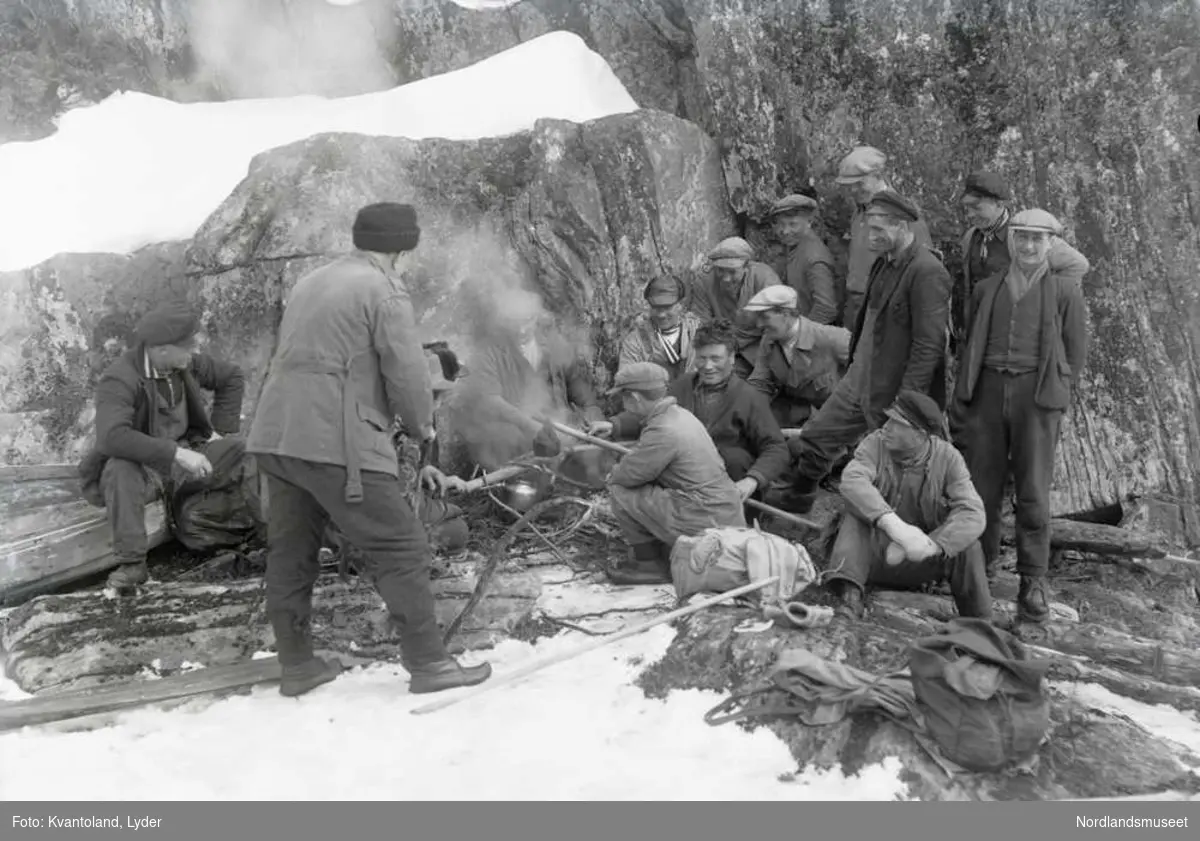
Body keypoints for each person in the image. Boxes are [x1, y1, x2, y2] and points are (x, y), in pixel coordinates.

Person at [247, 202, 491, 698]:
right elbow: (406, 373)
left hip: (277, 435)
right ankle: (429, 664)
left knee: (291, 552)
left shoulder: (313, 281)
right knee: (402, 546)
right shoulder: (384, 290)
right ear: (404, 245)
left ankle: (297, 667)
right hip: (336, 443)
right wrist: (423, 429)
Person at [951, 209, 1090, 624]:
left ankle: (1033, 581)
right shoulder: (987, 288)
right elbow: (970, 341)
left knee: (1033, 491)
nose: (1028, 246)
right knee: (981, 489)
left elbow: (1075, 352)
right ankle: (979, 568)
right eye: (1022, 238)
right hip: (989, 392)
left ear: (1051, 244)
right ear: (1010, 241)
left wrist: (1055, 396)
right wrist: (965, 397)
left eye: (1037, 239)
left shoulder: (1065, 291)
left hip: (1037, 395)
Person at [784, 191, 952, 513]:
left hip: (891, 390)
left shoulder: (927, 270)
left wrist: (908, 405)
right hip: (859, 380)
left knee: (901, 470)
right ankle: (797, 503)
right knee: (817, 438)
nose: (871, 237)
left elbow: (929, 344)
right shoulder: (883, 263)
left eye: (879, 230)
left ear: (902, 226)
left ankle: (920, 529)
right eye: (868, 229)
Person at [78, 301, 246, 591]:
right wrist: (176, 454)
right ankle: (133, 565)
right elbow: (111, 437)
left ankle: (275, 536)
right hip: (146, 469)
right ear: (161, 348)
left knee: (245, 452)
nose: (194, 351)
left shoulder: (184, 364)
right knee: (119, 469)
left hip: (189, 453)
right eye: (188, 345)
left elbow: (232, 376)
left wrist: (221, 431)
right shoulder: (119, 378)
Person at [824, 390, 991, 621]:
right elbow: (853, 481)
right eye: (888, 419)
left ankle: (980, 625)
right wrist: (893, 525)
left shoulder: (948, 458)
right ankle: (849, 602)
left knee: (969, 546)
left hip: (917, 560)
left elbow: (973, 513)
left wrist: (932, 545)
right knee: (856, 516)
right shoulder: (875, 443)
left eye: (896, 423)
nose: (887, 427)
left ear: (919, 434)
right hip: (869, 558)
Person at [591, 319, 790, 509]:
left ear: (731, 358)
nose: (708, 366)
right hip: (683, 478)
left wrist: (752, 480)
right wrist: (614, 425)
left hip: (729, 485)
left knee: (735, 458)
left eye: (716, 358)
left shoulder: (749, 398)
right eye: (702, 358)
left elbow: (776, 448)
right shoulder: (684, 385)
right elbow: (653, 411)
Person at [603, 362, 747, 585]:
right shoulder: (680, 415)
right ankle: (664, 545)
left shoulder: (663, 429)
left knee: (620, 490)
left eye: (623, 397)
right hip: (723, 509)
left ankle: (648, 566)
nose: (623, 403)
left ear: (635, 397)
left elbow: (628, 475)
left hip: (705, 515)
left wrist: (612, 471)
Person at [452, 302, 602, 471]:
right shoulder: (489, 352)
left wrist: (592, 410)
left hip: (560, 425)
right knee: (507, 441)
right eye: (514, 322)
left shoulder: (554, 344)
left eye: (527, 321)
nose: (521, 329)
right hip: (518, 433)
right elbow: (491, 400)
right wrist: (530, 426)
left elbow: (577, 383)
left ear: (536, 318)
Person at [954, 172, 1087, 356]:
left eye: (976, 207)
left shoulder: (1023, 236)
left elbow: (1077, 264)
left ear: (999, 204)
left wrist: (1043, 298)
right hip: (983, 337)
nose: (970, 215)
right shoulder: (971, 237)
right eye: (967, 208)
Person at [834, 146, 933, 328]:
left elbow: (925, 269)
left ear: (878, 175)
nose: (854, 190)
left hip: (883, 306)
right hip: (856, 303)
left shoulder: (903, 214)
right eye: (849, 185)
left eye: (859, 183)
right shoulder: (859, 212)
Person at [744, 285, 851, 432]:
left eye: (764, 317)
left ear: (785, 314)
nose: (759, 324)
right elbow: (761, 382)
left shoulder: (832, 338)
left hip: (836, 423)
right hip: (798, 417)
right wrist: (744, 410)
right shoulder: (768, 341)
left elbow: (867, 376)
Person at [690, 236, 783, 378]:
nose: (726, 278)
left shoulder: (764, 278)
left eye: (732, 271)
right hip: (723, 348)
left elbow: (776, 327)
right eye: (720, 270)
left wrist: (761, 370)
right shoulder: (704, 280)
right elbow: (700, 324)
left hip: (761, 348)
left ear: (747, 267)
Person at [767, 193, 841, 325]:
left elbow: (826, 309)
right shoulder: (795, 246)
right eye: (781, 225)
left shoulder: (815, 259)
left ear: (809, 222)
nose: (785, 231)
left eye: (792, 224)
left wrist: (800, 335)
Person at [618, 274, 702, 381]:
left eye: (667, 307)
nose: (661, 315)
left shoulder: (697, 333)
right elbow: (625, 382)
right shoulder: (635, 342)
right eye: (655, 307)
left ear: (681, 304)